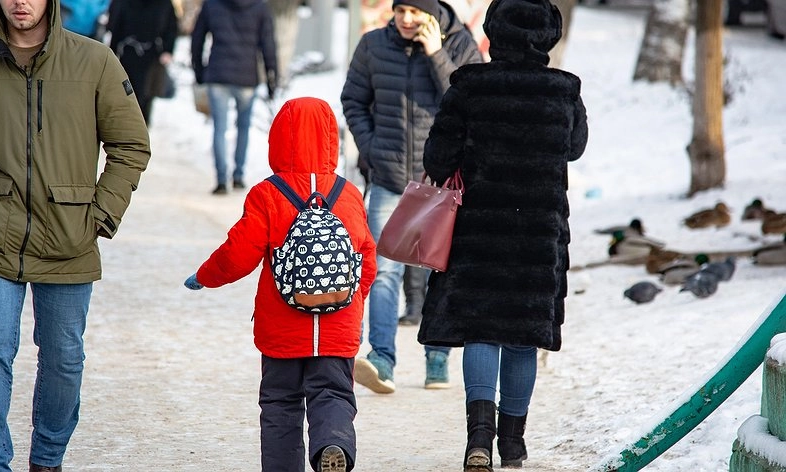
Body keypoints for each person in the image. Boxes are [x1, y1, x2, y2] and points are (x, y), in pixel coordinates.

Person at [0, 0, 151, 470]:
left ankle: (47, 458)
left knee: (63, 358)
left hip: (69, 237)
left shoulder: (95, 61)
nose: (21, 2)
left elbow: (131, 144)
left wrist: (100, 214)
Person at [416, 0, 588, 469]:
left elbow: (437, 161)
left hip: (478, 234)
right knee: (521, 337)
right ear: (548, 35)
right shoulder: (564, 91)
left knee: (481, 332)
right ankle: (512, 443)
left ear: (494, 31)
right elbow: (574, 148)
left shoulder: (469, 87)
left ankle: (478, 440)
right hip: (538, 236)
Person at [183, 97, 377, 472]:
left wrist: (205, 276)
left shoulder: (267, 194)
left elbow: (238, 253)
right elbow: (366, 259)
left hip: (282, 327)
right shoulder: (349, 194)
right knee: (334, 393)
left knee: (280, 403)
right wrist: (354, 306)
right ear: (330, 139)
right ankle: (332, 444)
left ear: (279, 138)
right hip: (337, 326)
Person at [340, 0, 482, 393]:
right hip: (388, 177)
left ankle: (437, 357)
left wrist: (436, 54)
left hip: (441, 180)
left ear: (432, 13)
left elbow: (472, 103)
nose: (405, 19)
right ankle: (382, 359)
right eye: (400, 9)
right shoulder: (373, 45)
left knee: (441, 270)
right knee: (383, 270)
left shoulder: (460, 45)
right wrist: (372, 149)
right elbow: (353, 100)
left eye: (415, 12)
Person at [190, 0, 278, 195]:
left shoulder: (212, 4)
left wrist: (199, 71)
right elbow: (268, 44)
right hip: (247, 76)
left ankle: (222, 180)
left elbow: (197, 38)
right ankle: (238, 176)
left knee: (219, 128)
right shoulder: (259, 7)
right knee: (243, 127)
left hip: (218, 74)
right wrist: (272, 77)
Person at [107, 0, 179, 125]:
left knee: (146, 94)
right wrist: (112, 53)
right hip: (127, 53)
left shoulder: (164, 3)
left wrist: (168, 50)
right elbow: (115, 24)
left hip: (152, 54)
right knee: (127, 90)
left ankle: (142, 126)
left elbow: (171, 26)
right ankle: (126, 124)